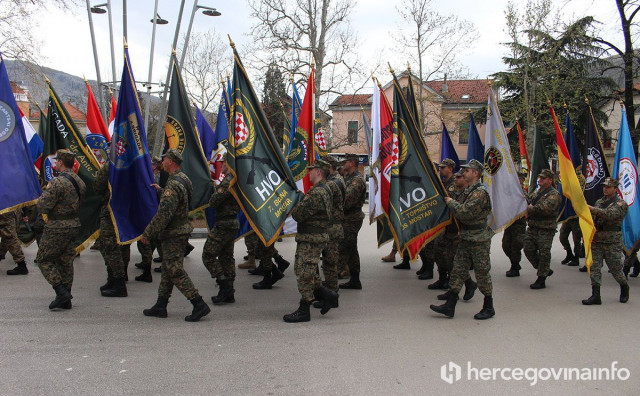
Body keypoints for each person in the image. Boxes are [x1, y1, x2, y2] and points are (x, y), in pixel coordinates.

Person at [141, 149, 210, 322]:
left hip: (174, 233)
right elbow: (182, 200)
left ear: (171, 161)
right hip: (180, 230)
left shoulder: (173, 185)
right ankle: (161, 305)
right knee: (167, 270)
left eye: (164, 160)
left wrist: (148, 233)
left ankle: (198, 303)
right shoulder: (183, 179)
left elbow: (164, 214)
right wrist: (161, 191)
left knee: (175, 271)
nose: (162, 162)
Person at [430, 159, 494, 320]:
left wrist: (451, 203)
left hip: (478, 239)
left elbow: (465, 212)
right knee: (458, 270)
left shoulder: (480, 193)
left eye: (467, 171)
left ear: (475, 174)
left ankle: (489, 306)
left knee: (482, 273)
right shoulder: (468, 191)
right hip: (466, 236)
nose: (463, 173)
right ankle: (450, 305)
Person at [284, 160, 338, 323]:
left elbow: (299, 215)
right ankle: (329, 296)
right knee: (311, 272)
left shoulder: (317, 192)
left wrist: (294, 204)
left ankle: (304, 309)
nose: (309, 173)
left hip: (311, 239)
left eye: (311, 170)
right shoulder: (324, 189)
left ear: (319, 172)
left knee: (304, 273)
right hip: (314, 237)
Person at [36, 149, 86, 310]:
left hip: (57, 227)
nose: (55, 163)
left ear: (61, 163)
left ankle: (61, 291)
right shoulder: (79, 181)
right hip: (74, 224)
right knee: (66, 261)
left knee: (44, 259)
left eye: (57, 161)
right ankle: (66, 298)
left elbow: (43, 205)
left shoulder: (57, 183)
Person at [582, 177, 630, 305]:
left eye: (608, 187)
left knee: (616, 270)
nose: (605, 189)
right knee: (595, 268)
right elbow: (592, 218)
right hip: (597, 239)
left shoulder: (621, 204)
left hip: (611, 241)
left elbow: (610, 215)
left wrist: (592, 209)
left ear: (615, 189)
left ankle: (624, 286)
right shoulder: (599, 202)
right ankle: (595, 295)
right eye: (604, 186)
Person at [202, 159, 240, 304]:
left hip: (224, 224)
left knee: (208, 255)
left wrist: (214, 190)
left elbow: (214, 202)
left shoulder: (227, 181)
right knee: (226, 257)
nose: (221, 165)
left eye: (223, 162)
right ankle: (228, 292)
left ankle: (225, 287)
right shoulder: (234, 179)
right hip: (231, 223)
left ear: (228, 164)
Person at [94, 161, 128, 297]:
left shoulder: (112, 164)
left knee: (109, 246)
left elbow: (98, 186)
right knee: (108, 245)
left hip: (111, 209)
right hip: (124, 208)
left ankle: (119, 283)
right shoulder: (132, 162)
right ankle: (113, 279)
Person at [523, 169, 561, 289]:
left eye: (543, 178)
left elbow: (543, 209)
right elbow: (531, 201)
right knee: (528, 248)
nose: (540, 180)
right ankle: (543, 268)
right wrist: (524, 198)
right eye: (540, 177)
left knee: (544, 253)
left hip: (546, 228)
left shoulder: (554, 194)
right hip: (533, 226)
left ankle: (541, 278)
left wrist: (529, 208)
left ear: (550, 180)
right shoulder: (538, 191)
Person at [421, 159, 456, 283]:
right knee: (438, 252)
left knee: (445, 254)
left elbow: (444, 200)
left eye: (443, 168)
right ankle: (442, 278)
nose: (440, 170)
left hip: (449, 224)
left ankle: (449, 280)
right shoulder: (445, 183)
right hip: (440, 222)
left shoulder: (453, 184)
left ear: (450, 169)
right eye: (440, 167)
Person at [317, 155, 344, 295]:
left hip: (332, 227)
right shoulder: (335, 180)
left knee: (329, 262)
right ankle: (330, 289)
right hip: (333, 226)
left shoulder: (333, 183)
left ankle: (332, 293)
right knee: (329, 262)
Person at [339, 153, 366, 290]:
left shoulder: (357, 180)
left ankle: (332, 279)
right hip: (346, 218)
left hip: (352, 218)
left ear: (353, 163)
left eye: (346, 161)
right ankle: (355, 280)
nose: (344, 164)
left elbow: (347, 200)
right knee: (352, 249)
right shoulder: (347, 177)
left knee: (343, 248)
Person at [134, 156, 163, 282]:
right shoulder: (149, 175)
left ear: (155, 166)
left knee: (151, 242)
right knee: (151, 242)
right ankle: (146, 264)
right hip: (150, 213)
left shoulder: (155, 178)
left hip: (153, 213)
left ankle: (147, 270)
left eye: (152, 164)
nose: (149, 165)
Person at [558, 168, 586, 267]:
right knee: (562, 237)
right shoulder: (566, 176)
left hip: (576, 215)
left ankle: (576, 258)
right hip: (567, 214)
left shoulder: (580, 178)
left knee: (576, 239)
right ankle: (569, 254)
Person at [503, 172, 528, 277]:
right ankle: (515, 264)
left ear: (522, 180)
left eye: (519, 179)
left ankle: (515, 266)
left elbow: (526, 202)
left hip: (518, 224)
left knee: (515, 246)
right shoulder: (510, 191)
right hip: (509, 223)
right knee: (505, 245)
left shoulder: (522, 192)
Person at [0, 209, 28, 275]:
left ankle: (21, 265)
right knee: (7, 236)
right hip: (11, 208)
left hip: (4, 210)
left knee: (9, 237)